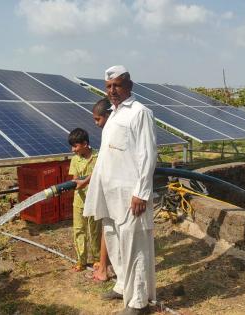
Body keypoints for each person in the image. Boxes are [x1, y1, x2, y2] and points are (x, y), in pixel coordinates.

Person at [84, 66, 157, 315]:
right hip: (109, 191)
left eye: (116, 85)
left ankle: (138, 302)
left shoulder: (140, 113)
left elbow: (148, 154)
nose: (112, 91)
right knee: (114, 238)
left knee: (133, 243)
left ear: (129, 86)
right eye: (108, 86)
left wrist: (141, 192)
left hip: (129, 193)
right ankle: (123, 285)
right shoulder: (113, 114)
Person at [68, 128, 101, 271]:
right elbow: (74, 179)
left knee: (94, 230)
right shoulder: (75, 160)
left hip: (94, 200)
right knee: (79, 230)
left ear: (85, 144)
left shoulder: (99, 156)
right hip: (79, 201)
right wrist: (80, 182)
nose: (73, 149)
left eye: (75, 146)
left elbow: (100, 174)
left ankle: (97, 258)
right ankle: (81, 260)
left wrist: (86, 180)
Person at [90, 98, 112, 282]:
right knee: (108, 226)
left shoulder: (114, 131)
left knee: (110, 227)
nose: (96, 124)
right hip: (109, 188)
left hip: (117, 191)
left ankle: (105, 268)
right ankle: (105, 266)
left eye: (98, 119)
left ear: (108, 115)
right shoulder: (108, 132)